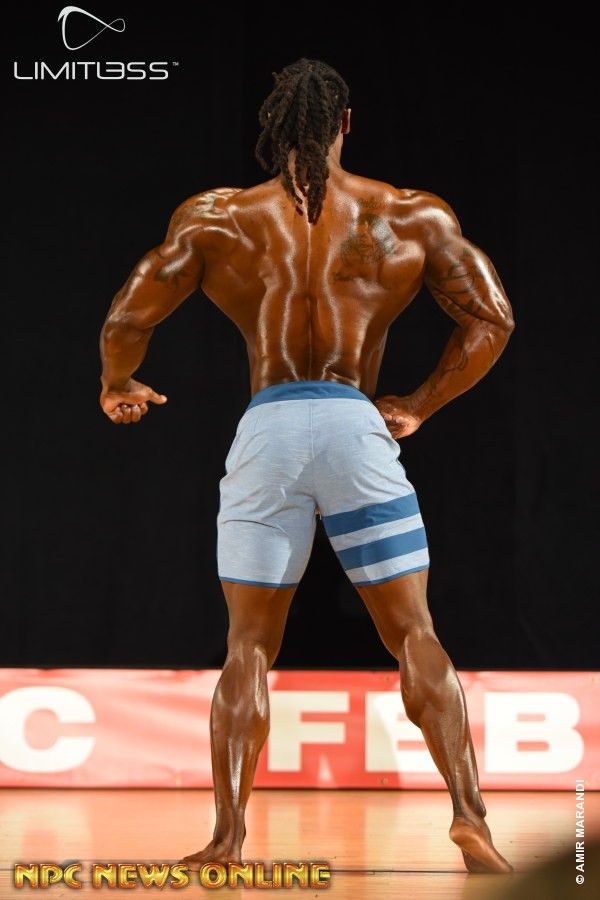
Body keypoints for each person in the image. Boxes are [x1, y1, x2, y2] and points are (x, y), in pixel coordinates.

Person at [99, 58, 515, 875]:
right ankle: (471, 818)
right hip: (357, 428)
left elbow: (127, 316)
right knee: (415, 632)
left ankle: (227, 838)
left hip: (269, 431)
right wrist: (419, 404)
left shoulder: (218, 217)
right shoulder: (411, 214)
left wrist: (118, 382)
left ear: (272, 126)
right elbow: (491, 319)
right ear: (346, 123)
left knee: (249, 646)